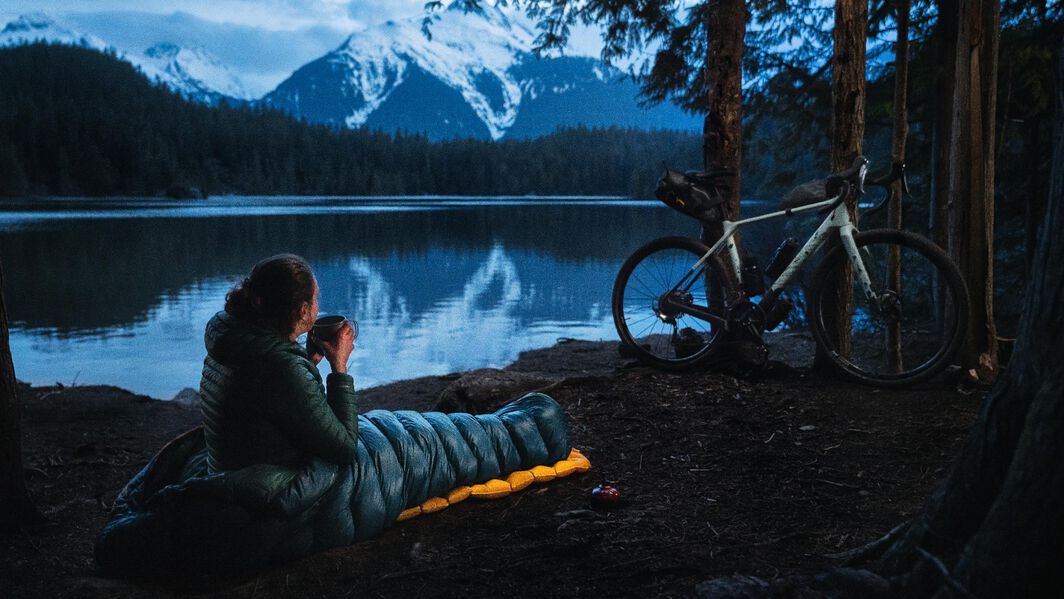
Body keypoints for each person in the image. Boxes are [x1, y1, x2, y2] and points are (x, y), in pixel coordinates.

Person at [198, 253, 357, 473]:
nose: (317, 307)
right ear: (303, 311)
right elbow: (345, 451)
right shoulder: (282, 369)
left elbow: (267, 398)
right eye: (316, 299)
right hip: (267, 488)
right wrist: (339, 367)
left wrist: (307, 361)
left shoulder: (232, 339)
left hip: (226, 469)